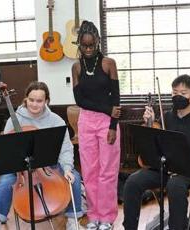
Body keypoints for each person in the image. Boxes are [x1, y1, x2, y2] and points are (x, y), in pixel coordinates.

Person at [123, 74, 190, 230]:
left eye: (183, 93)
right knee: (133, 181)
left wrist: (183, 166)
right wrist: (150, 124)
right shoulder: (166, 117)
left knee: (175, 185)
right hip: (164, 168)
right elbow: (154, 147)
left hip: (189, 172)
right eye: (174, 92)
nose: (178, 96)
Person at [0, 81, 84, 230]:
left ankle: (73, 220)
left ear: (46, 101)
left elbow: (65, 148)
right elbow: (7, 149)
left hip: (49, 165)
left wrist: (66, 168)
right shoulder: (14, 119)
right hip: (20, 168)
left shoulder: (56, 120)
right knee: (4, 184)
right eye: (31, 100)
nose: (34, 104)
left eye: (39, 101)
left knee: (74, 178)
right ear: (26, 99)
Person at [71, 20, 121, 230]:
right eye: (85, 46)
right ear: (80, 45)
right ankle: (93, 216)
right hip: (86, 121)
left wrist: (112, 124)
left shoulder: (109, 63)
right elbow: (80, 101)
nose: (89, 49)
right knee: (90, 171)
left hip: (106, 123)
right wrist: (106, 108)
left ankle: (107, 217)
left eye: (92, 45)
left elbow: (116, 99)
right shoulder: (76, 67)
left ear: (99, 42)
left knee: (107, 171)